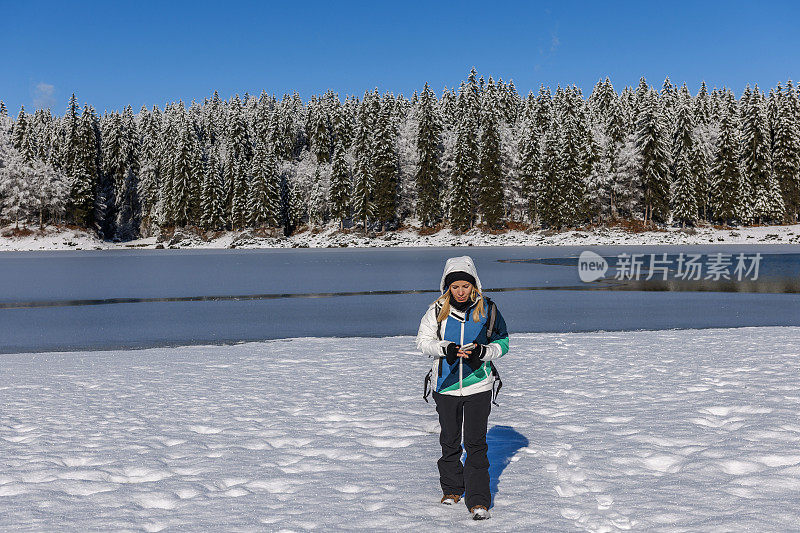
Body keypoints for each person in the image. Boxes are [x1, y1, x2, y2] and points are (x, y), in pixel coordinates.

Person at [415, 255, 509, 521]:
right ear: (447, 286)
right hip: (444, 387)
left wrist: (483, 351)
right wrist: (447, 349)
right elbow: (422, 342)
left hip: (479, 385)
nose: (460, 291)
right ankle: (452, 490)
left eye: (465, 286)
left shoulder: (488, 309)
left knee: (476, 443)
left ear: (474, 285)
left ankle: (478, 500)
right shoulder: (436, 309)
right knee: (450, 440)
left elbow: (504, 343)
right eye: (455, 286)